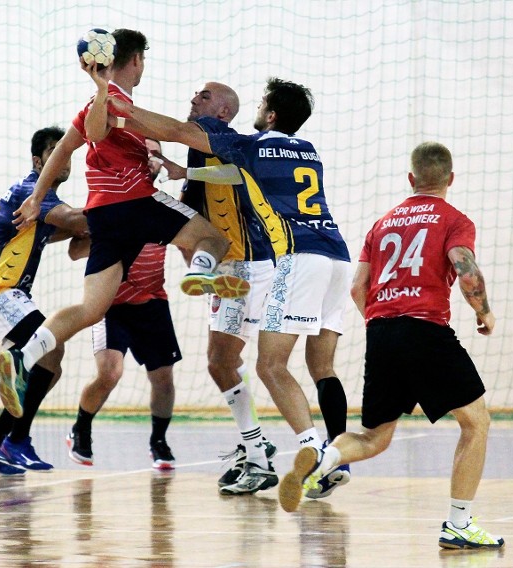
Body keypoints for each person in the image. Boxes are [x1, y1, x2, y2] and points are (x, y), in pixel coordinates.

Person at [108, 77, 353, 499]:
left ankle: (315, 455)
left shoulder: (241, 143)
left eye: (202, 95)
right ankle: (306, 453)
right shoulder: (306, 151)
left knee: (269, 365)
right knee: (297, 365)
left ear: (269, 114)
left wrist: (121, 108)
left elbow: (175, 130)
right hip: (336, 256)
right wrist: (186, 172)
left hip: (277, 262)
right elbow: (232, 172)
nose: (192, 97)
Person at [0, 29, 250, 418]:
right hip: (136, 202)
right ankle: (201, 274)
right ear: (136, 61)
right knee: (213, 239)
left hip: (102, 215)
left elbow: (67, 146)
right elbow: (128, 129)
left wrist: (35, 197)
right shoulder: (115, 100)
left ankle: (25, 357)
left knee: (90, 308)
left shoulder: (97, 102)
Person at [277, 142, 504, 550]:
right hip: (425, 330)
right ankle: (459, 524)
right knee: (476, 423)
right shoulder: (454, 219)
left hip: (381, 331)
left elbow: (358, 287)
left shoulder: (382, 224)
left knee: (373, 436)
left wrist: (381, 323)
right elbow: (464, 268)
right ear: (450, 179)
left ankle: (325, 460)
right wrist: (483, 310)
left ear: (411, 178)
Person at [152, 83, 279, 494]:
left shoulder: (219, 136)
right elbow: (193, 214)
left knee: (219, 361)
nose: (193, 98)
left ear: (223, 111)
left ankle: (257, 454)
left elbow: (234, 174)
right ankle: (256, 445)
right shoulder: (199, 146)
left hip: (245, 263)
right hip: (232, 265)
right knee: (228, 360)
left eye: (204, 96)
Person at [0, 126, 87, 475]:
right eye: (55, 151)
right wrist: (122, 208)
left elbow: (74, 234)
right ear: (39, 160)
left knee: (51, 361)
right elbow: (75, 221)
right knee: (50, 351)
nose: (64, 158)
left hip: (9, 292)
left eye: (68, 152)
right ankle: (8, 441)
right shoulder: (32, 190)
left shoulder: (42, 199)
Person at [66, 138, 180, 470]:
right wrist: (110, 236)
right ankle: (81, 428)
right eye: (143, 152)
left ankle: (158, 441)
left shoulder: (167, 208)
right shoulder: (109, 205)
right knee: (110, 372)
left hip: (152, 303)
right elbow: (75, 251)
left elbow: (192, 247)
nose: (149, 159)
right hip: (112, 304)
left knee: (163, 379)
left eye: (155, 154)